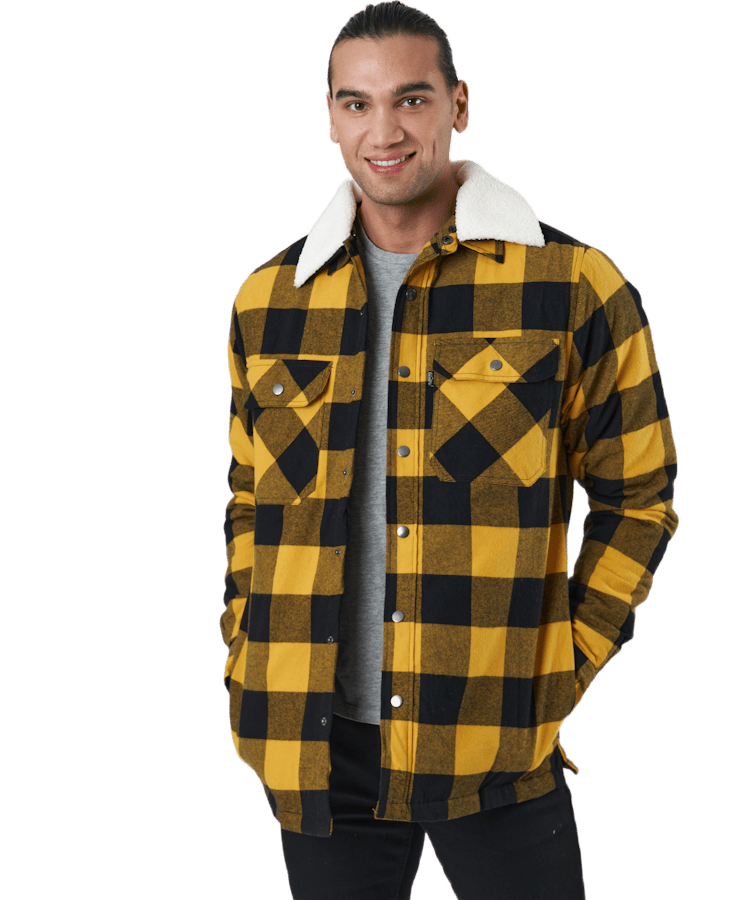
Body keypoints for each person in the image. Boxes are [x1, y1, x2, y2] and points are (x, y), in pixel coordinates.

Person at [219, 2, 679, 897]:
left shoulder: (573, 286)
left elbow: (640, 496)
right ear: (330, 118)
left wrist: (560, 664)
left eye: (411, 99)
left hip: (492, 739)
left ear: (458, 104)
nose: (383, 131)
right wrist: (245, 654)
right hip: (314, 746)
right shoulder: (269, 301)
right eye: (356, 104)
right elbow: (250, 499)